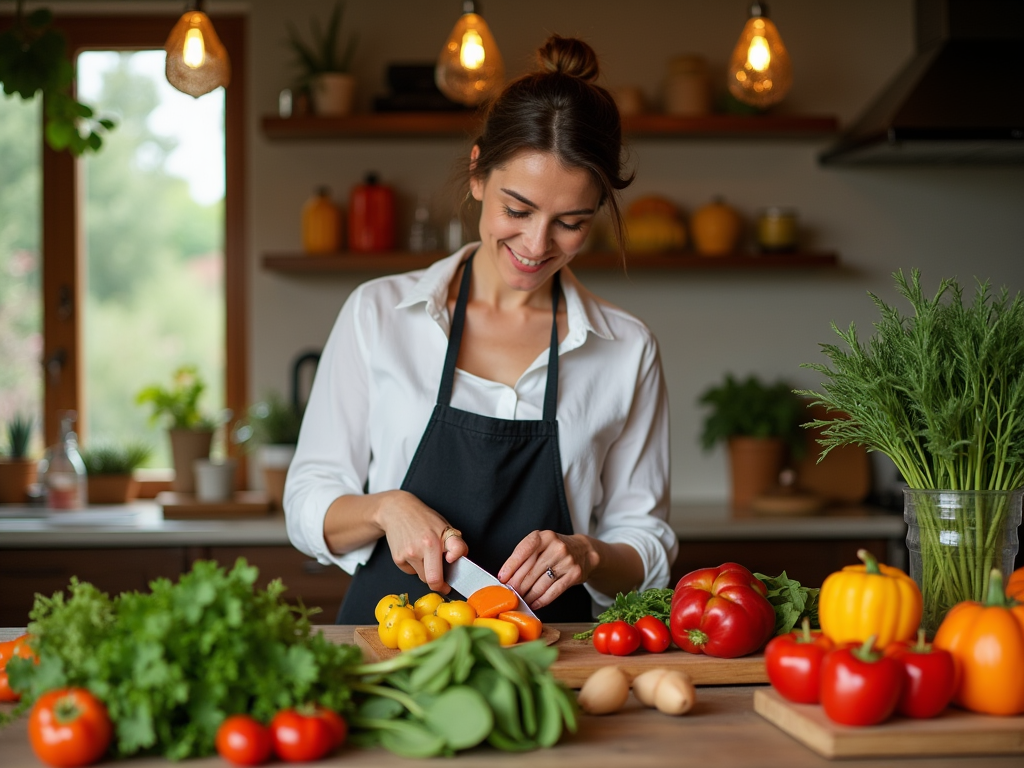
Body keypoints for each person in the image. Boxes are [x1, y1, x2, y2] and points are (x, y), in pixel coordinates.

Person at [284, 34, 677, 625]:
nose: (537, 245)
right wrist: (386, 509)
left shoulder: (625, 349)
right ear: (477, 174)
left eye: (570, 223)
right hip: (392, 647)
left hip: (551, 661)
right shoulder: (380, 313)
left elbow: (647, 543)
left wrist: (589, 553)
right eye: (517, 210)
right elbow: (306, 501)